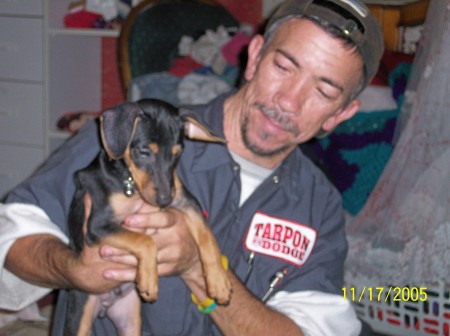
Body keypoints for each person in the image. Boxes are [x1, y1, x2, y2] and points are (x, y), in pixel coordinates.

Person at [0, 0, 384, 335]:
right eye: (283, 67)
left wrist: (197, 267)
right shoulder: (134, 134)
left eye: (323, 91)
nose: (288, 101)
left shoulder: (320, 208)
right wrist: (71, 269)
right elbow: (11, 238)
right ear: (254, 57)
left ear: (341, 113)